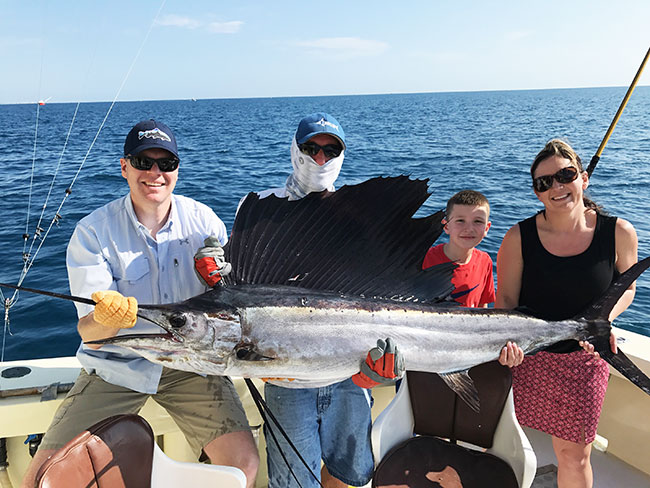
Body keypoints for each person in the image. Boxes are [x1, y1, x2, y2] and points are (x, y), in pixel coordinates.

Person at [21, 119, 259, 488]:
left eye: (166, 164)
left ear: (177, 169)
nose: (155, 173)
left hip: (191, 364)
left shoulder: (205, 223)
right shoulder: (93, 232)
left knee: (242, 465)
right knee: (39, 478)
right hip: (119, 366)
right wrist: (106, 319)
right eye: (143, 161)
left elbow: (228, 304)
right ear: (124, 167)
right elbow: (92, 335)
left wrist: (221, 281)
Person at [195, 113, 402, 488]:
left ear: (341, 155)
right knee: (293, 482)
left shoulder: (358, 213)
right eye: (311, 148)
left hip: (350, 372)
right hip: (284, 372)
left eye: (330, 150)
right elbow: (239, 287)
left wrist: (384, 365)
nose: (320, 159)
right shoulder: (260, 206)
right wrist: (213, 269)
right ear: (295, 150)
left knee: (351, 474)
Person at [496, 139, 638, 488]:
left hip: (586, 360)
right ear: (537, 193)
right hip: (529, 358)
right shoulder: (517, 237)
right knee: (509, 446)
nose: (557, 187)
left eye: (566, 175)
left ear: (583, 178)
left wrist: (603, 324)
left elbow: (627, 288)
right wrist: (511, 348)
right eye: (545, 183)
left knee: (574, 456)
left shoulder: (618, 232)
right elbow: (506, 302)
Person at [421, 189, 522, 365]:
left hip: (468, 351)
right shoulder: (424, 260)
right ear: (446, 226)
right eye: (460, 221)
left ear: (487, 228)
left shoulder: (485, 261)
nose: (469, 228)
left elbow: (482, 309)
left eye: (477, 222)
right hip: (427, 349)